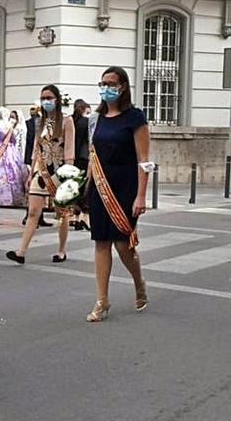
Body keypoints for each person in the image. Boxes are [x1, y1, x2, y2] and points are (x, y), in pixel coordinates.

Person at [85, 66, 150, 322]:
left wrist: (141, 196)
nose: (105, 87)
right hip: (101, 188)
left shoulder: (134, 117)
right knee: (101, 243)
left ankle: (138, 282)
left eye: (111, 83)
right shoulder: (96, 119)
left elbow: (144, 160)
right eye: (102, 83)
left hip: (126, 188)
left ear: (122, 86)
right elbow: (93, 156)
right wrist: (84, 187)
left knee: (123, 245)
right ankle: (102, 301)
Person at [6, 85, 75, 264]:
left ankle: (61, 250)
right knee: (33, 212)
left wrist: (69, 172)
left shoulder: (67, 121)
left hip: (59, 171)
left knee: (62, 213)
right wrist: (31, 172)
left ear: (57, 100)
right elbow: (37, 149)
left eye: (49, 97)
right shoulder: (40, 123)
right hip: (41, 171)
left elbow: (69, 149)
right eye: (43, 98)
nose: (46, 101)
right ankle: (21, 251)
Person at [71, 99, 91, 231]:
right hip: (83, 158)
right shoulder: (86, 122)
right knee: (85, 188)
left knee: (74, 188)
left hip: (71, 158)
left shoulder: (70, 120)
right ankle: (84, 218)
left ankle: (74, 218)